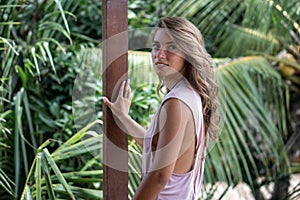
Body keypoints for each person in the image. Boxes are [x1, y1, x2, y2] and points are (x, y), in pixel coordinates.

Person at [103, 16, 219, 200]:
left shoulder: (177, 102)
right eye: (156, 46)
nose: (160, 54)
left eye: (171, 47)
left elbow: (160, 176)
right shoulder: (191, 95)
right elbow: (159, 147)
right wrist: (124, 118)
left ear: (188, 53)